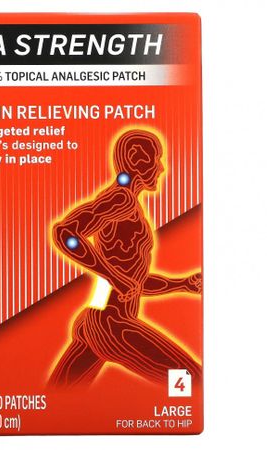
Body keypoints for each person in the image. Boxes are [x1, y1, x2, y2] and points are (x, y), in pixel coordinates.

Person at [48, 129, 201, 387]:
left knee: (57, 396)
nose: (161, 168)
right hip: (114, 326)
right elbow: (66, 233)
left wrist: (182, 284)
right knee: (192, 381)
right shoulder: (121, 199)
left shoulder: (127, 203)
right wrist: (114, 277)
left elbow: (134, 282)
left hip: (97, 321)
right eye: (157, 159)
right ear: (136, 158)